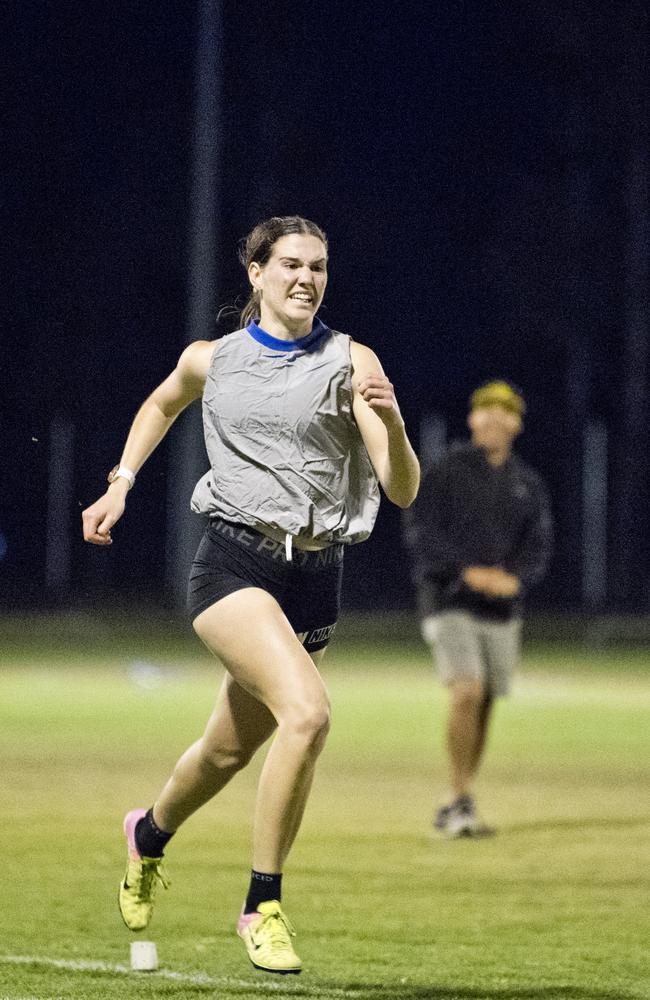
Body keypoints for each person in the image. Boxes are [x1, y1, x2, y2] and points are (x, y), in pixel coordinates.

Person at [82, 215, 420, 974]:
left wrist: (393, 426)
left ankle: (149, 835)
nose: (307, 278)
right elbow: (162, 403)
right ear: (257, 273)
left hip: (316, 578)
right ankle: (261, 904)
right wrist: (121, 484)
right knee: (308, 713)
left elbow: (401, 490)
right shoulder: (213, 359)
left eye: (320, 267)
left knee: (228, 751)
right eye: (292, 264)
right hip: (234, 563)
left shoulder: (349, 360)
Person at [407, 381, 552, 838]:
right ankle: (458, 796)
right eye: (486, 411)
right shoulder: (446, 471)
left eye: (504, 412)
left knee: (486, 700)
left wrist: (516, 579)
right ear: (472, 419)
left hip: (501, 610)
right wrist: (465, 573)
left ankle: (460, 797)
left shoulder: (526, 483)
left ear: (517, 423)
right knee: (467, 690)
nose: (494, 419)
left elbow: (539, 545)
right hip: (449, 600)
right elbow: (421, 532)